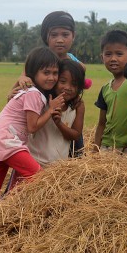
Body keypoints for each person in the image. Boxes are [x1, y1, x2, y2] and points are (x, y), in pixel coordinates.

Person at [0, 47, 65, 199]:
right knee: (38, 176)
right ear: (33, 74)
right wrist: (50, 110)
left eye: (55, 73)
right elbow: (32, 127)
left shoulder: (30, 91)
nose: (51, 77)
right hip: (8, 140)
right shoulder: (33, 94)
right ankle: (16, 205)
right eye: (46, 73)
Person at [12, 11, 88, 157]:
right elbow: (22, 81)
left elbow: (76, 93)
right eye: (54, 35)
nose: (60, 40)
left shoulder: (78, 66)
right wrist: (17, 85)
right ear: (46, 37)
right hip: (42, 118)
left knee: (76, 155)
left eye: (65, 35)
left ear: (73, 36)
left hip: (65, 118)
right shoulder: (38, 60)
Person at [28, 59, 86, 165]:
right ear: (55, 80)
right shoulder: (41, 99)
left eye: (74, 84)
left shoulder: (78, 105)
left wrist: (59, 123)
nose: (67, 87)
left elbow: (76, 135)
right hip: (34, 162)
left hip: (59, 167)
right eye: (63, 81)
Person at [93, 29, 127, 153]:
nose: (113, 59)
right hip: (106, 147)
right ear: (101, 57)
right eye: (108, 54)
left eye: (119, 54)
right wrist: (95, 150)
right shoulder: (105, 89)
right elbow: (101, 123)